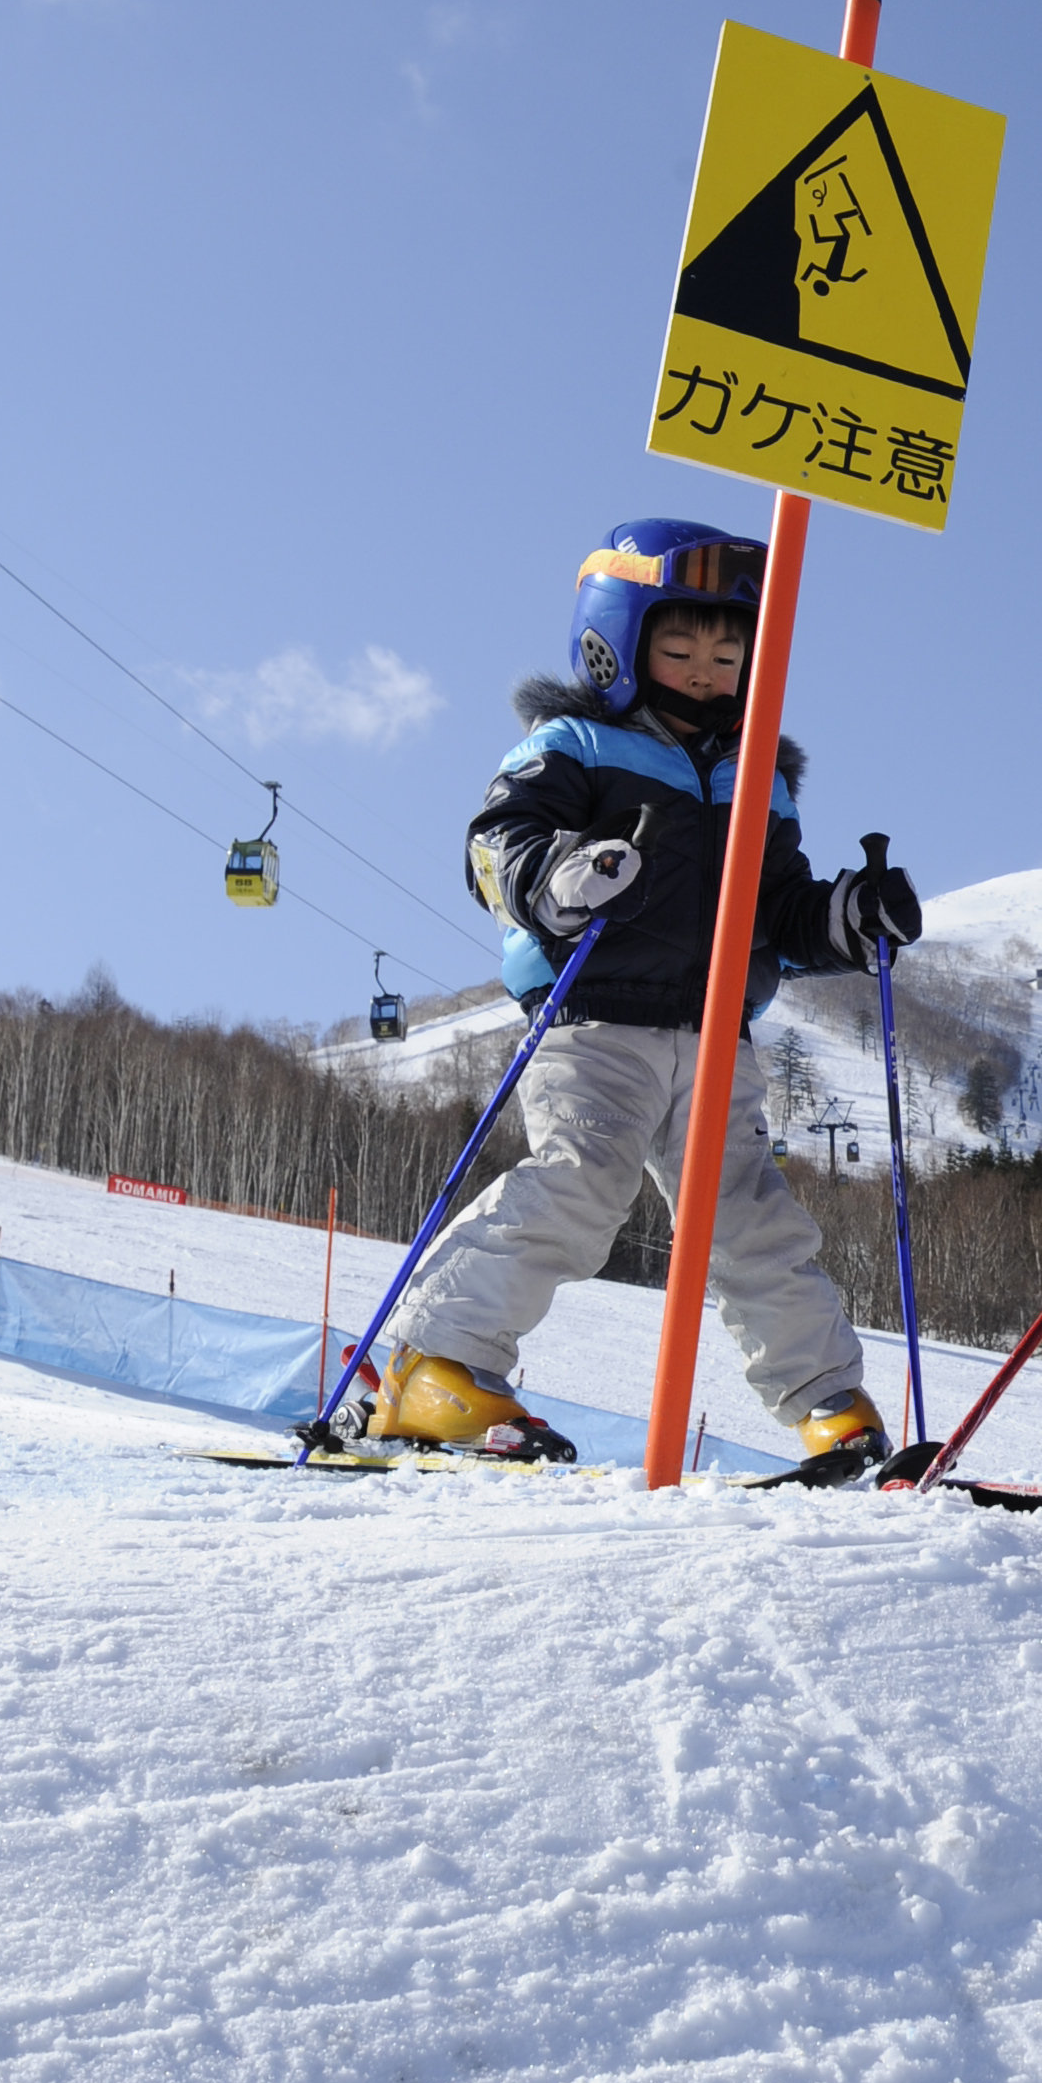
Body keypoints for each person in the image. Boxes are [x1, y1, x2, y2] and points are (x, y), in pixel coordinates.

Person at [361, 520, 920, 1468]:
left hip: (716, 1033)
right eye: (679, 650)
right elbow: (493, 846)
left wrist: (848, 917)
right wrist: (561, 878)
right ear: (614, 646)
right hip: (598, 1019)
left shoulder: (759, 776)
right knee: (579, 1186)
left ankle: (830, 1403)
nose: (705, 672)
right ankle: (437, 1366)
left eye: (727, 655)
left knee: (753, 1219)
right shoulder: (573, 743)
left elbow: (778, 908)